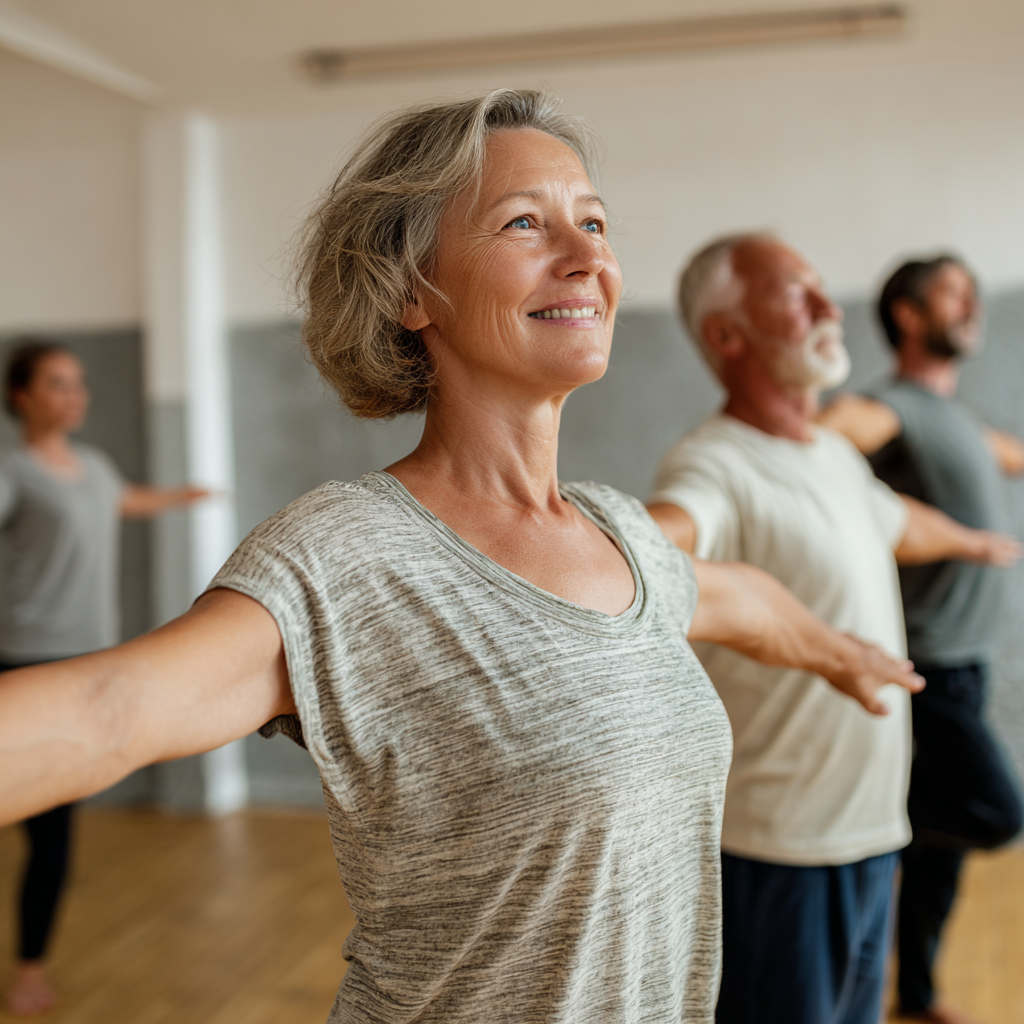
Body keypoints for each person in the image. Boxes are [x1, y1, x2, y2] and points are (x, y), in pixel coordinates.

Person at [0, 92, 922, 1024]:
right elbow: (107, 711)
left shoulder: (621, 533)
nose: (588, 256)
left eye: (593, 222)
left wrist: (840, 652)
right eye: (526, 222)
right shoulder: (350, 555)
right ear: (410, 290)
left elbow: (741, 601)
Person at [646, 234, 1021, 1024]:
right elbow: (668, 536)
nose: (827, 308)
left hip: (868, 834)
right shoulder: (715, 463)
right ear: (727, 335)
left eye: (822, 289)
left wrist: (970, 541)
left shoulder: (828, 455)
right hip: (781, 850)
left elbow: (892, 522)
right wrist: (600, 546)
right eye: (795, 294)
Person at [819, 255, 1024, 1024]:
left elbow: (1008, 456)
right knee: (993, 813)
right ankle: (886, 828)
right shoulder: (889, 408)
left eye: (974, 292)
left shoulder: (958, 421)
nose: (970, 303)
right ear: (907, 314)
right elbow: (818, 439)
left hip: (968, 664)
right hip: (926, 663)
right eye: (951, 292)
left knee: (944, 854)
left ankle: (919, 992)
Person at [1, 340, 208, 1017]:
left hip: (84, 661)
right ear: (21, 397)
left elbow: (124, 502)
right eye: (57, 384)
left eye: (78, 383)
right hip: (20, 659)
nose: (74, 395)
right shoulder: (11, 470)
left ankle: (29, 967)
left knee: (53, 828)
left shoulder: (93, 466)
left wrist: (186, 496)